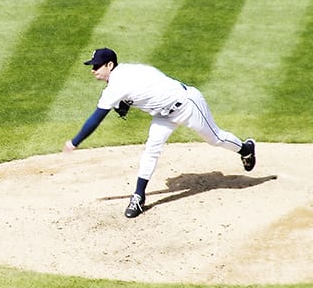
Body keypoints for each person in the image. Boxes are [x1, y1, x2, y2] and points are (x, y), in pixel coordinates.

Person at [62, 48, 256, 218]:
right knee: (151, 149)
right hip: (163, 115)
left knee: (216, 139)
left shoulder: (117, 85)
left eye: (97, 66)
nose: (93, 70)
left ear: (109, 65)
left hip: (187, 105)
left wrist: (75, 141)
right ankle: (138, 196)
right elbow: (148, 84)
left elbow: (96, 118)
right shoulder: (129, 70)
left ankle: (246, 149)